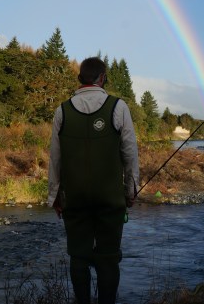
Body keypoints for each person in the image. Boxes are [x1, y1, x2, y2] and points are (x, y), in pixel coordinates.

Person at [48, 56, 139, 304]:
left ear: (80, 79)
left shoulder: (61, 111)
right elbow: (130, 153)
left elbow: (55, 158)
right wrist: (131, 191)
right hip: (110, 199)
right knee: (108, 258)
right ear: (102, 78)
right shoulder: (119, 107)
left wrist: (55, 196)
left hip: (74, 199)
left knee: (78, 257)